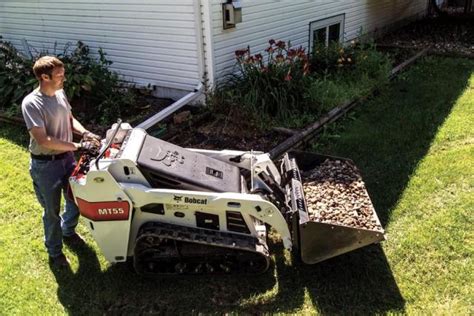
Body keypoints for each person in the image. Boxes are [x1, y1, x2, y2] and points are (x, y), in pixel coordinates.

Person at [21, 56, 100, 268]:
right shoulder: (32, 103)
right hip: (45, 165)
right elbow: (43, 140)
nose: (63, 78)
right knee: (52, 212)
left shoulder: (60, 93)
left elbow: (69, 119)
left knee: (76, 198)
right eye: (59, 75)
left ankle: (69, 231)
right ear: (44, 77)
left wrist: (85, 133)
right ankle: (55, 252)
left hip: (66, 159)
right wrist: (77, 146)